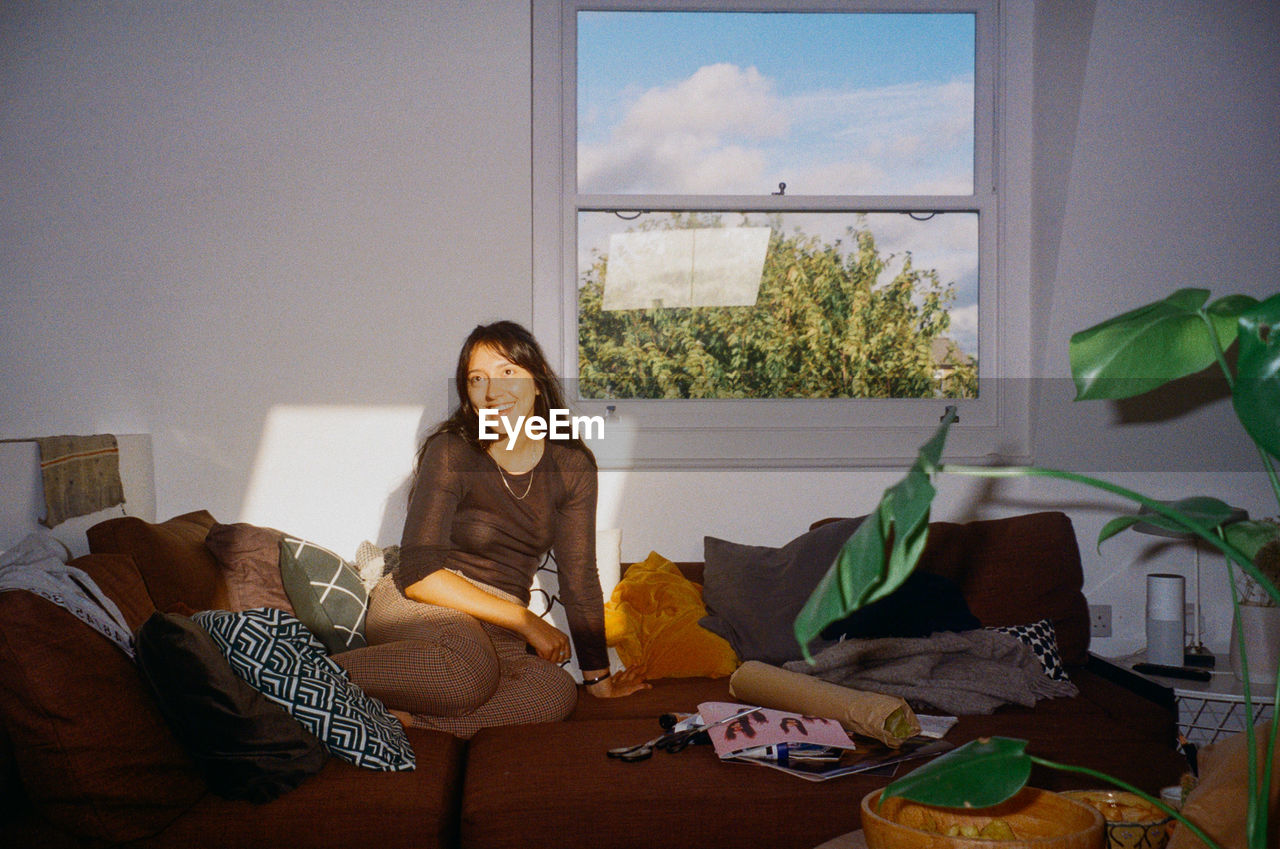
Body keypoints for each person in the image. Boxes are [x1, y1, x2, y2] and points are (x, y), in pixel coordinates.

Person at [336, 321, 647, 738]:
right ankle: (304, 672)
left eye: (506, 373)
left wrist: (598, 679)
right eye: (476, 379)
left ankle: (400, 720)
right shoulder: (451, 451)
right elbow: (418, 575)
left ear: (537, 382)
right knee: (466, 668)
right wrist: (523, 619)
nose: (492, 390)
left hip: (492, 633)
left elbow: (579, 579)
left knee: (555, 692)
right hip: (423, 605)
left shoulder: (571, 465)